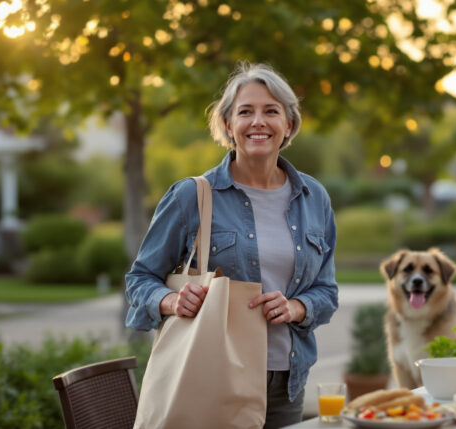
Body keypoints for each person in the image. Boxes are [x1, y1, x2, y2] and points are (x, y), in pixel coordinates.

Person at [125, 62, 339, 428]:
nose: (259, 121)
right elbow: (140, 279)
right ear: (228, 125)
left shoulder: (313, 197)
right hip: (211, 376)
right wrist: (171, 300)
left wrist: (297, 307)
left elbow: (326, 291)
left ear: (288, 124)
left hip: (286, 382)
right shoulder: (191, 195)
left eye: (271, 111)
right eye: (246, 112)